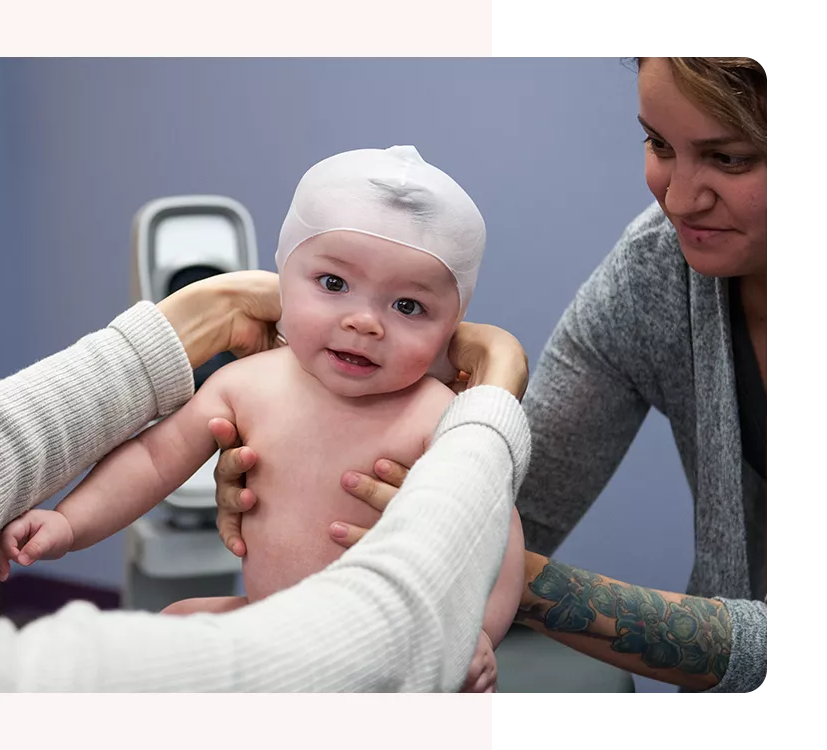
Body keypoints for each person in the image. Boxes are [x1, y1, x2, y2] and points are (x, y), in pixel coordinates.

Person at [214, 56, 769, 695]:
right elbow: (513, 499)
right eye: (660, 144)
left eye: (731, 158)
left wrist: (461, 556)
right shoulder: (656, 275)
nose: (678, 199)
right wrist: (306, 483)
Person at [0, 170, 531, 692]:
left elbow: (491, 531)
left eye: (407, 306)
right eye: (333, 284)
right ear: (280, 279)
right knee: (174, 622)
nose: (363, 320)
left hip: (395, 649)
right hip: (264, 616)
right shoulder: (250, 385)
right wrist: (69, 522)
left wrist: (476, 630)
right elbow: (154, 456)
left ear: (455, 327)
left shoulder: (442, 414)